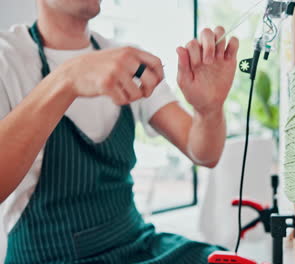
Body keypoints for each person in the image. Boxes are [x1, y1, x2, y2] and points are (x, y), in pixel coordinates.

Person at [0, 0, 239, 263]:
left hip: (136, 245)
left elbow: (205, 154)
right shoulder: (6, 58)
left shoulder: (127, 60)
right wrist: (67, 79)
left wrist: (209, 109)